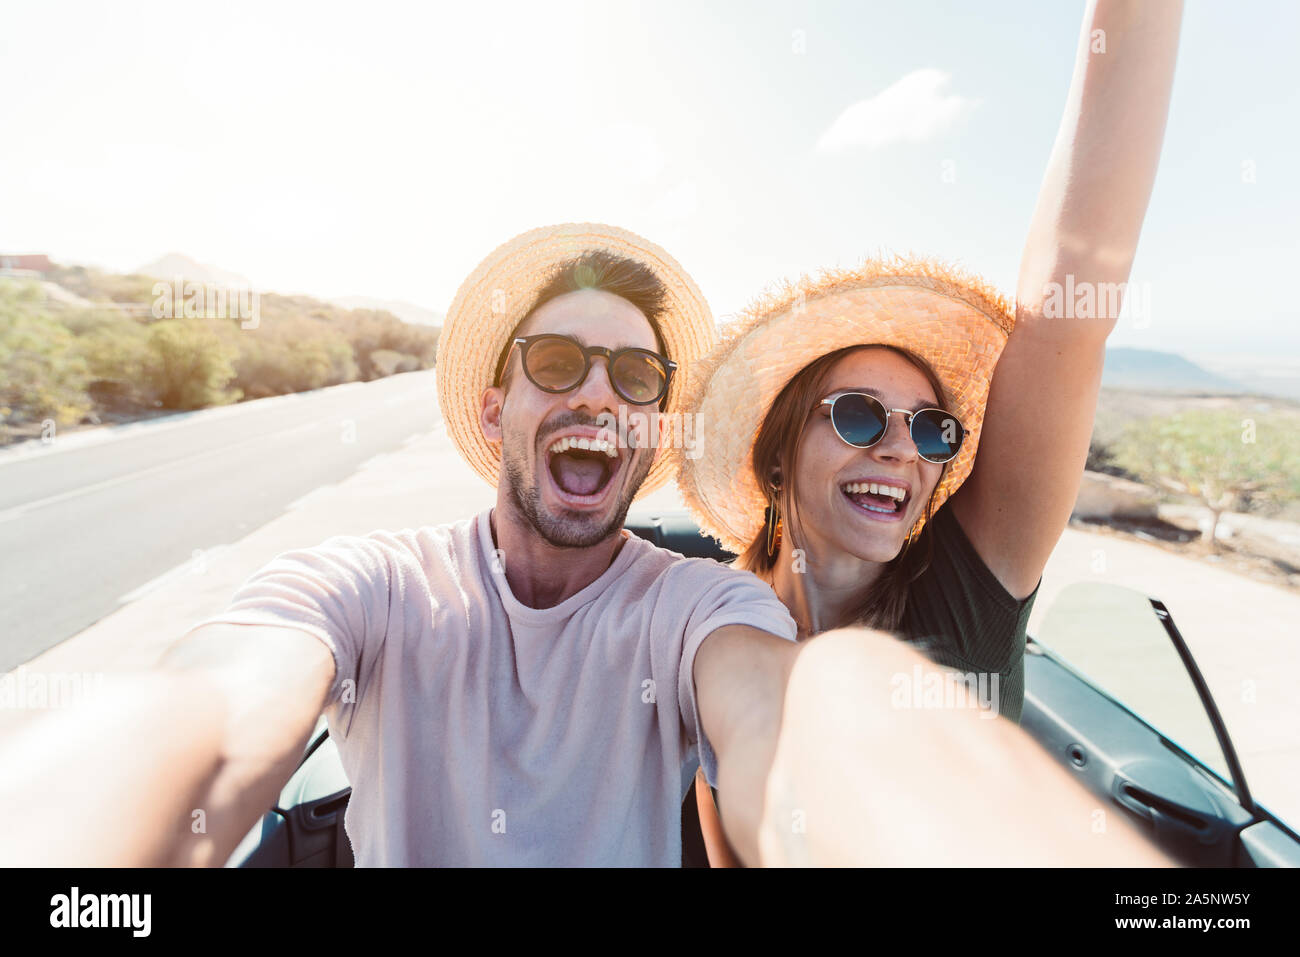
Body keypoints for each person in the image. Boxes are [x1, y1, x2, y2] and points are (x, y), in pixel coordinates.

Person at [0, 222, 1171, 868]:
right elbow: (207, 717)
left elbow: (795, 726)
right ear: (493, 409)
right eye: (557, 365)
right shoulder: (362, 583)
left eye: (633, 375)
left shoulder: (701, 612)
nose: (596, 395)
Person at [678, 0, 1184, 865]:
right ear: (774, 452)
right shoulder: (703, 614)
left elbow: (1068, 305)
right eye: (861, 414)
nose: (902, 448)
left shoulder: (971, 580)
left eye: (933, 429)